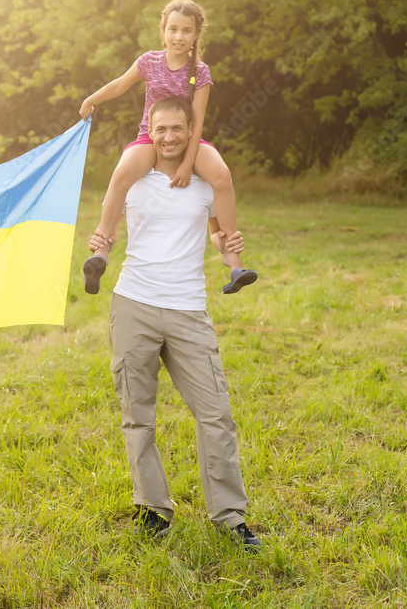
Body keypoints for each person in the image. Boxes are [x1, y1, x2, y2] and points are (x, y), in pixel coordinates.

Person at [95, 96, 261, 551]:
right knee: (138, 414)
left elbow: (217, 231)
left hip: (188, 309)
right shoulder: (134, 176)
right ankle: (153, 509)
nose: (168, 137)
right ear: (150, 131)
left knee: (216, 414)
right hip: (134, 303)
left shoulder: (206, 182)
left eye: (176, 129)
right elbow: (108, 219)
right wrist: (100, 243)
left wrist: (227, 245)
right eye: (160, 129)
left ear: (191, 131)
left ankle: (229, 516)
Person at [79, 0, 257, 297]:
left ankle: (233, 259)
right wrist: (91, 99)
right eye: (173, 29)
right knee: (122, 174)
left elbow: (197, 120)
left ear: (196, 35)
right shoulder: (149, 62)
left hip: (188, 138)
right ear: (163, 31)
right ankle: (102, 249)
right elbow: (120, 84)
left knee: (222, 175)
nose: (178, 36)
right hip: (152, 137)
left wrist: (187, 163)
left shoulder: (200, 71)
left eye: (186, 31)